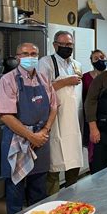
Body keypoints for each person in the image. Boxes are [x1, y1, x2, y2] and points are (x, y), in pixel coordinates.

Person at [0, 43, 57, 214]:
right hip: (17, 140)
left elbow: (54, 106)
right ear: (17, 57)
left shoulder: (44, 78)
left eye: (33, 54)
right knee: (15, 191)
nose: (30, 57)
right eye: (25, 54)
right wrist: (31, 136)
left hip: (41, 139)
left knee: (39, 189)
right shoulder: (8, 80)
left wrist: (45, 130)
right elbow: (6, 116)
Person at [38, 31, 83, 195]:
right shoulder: (46, 62)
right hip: (54, 119)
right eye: (63, 44)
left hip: (73, 120)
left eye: (69, 45)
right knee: (54, 163)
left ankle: (72, 197)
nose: (66, 47)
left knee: (74, 161)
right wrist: (65, 82)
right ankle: (52, 201)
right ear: (55, 45)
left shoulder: (76, 65)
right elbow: (41, 89)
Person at [82, 50, 107, 168]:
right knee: (94, 152)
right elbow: (83, 100)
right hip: (92, 119)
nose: (100, 60)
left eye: (102, 57)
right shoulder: (85, 78)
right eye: (96, 58)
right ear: (91, 61)